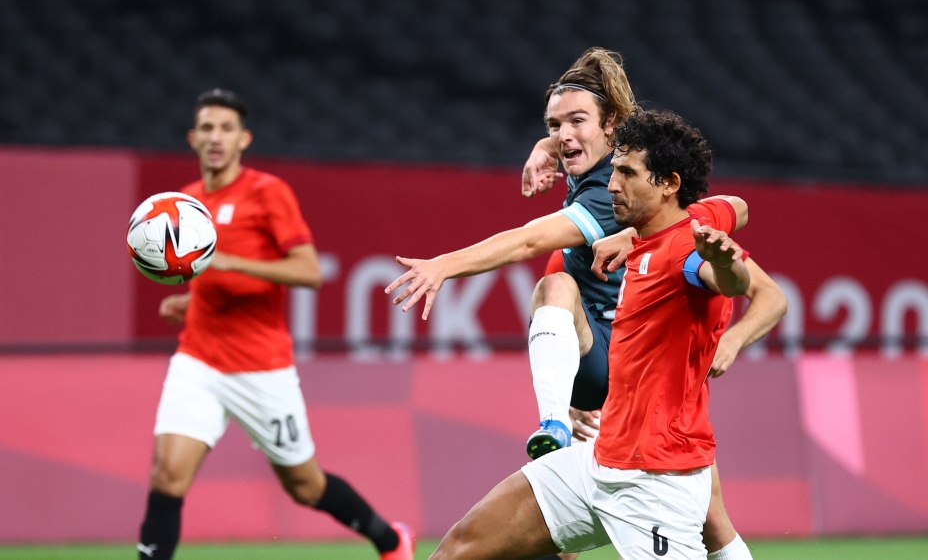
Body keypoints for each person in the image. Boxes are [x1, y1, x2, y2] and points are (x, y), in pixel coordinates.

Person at [387, 49, 783, 560]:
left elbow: (729, 280)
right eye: (555, 125)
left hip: (654, 478)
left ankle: (553, 421)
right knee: (459, 549)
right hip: (602, 453)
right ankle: (556, 427)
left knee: (555, 284)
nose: (613, 183)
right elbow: (737, 206)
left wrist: (727, 281)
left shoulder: (687, 247)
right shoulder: (665, 217)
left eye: (627, 174)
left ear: (666, 184)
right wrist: (547, 150)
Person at [136, 89, 413, 560]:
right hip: (199, 360)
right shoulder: (186, 202)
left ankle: (390, 541)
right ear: (193, 138)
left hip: (261, 368)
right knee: (167, 475)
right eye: (207, 128)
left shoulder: (267, 192)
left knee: (305, 486)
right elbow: (207, 275)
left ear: (243, 139)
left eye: (226, 129)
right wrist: (191, 300)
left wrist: (228, 261)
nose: (216, 137)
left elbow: (309, 271)